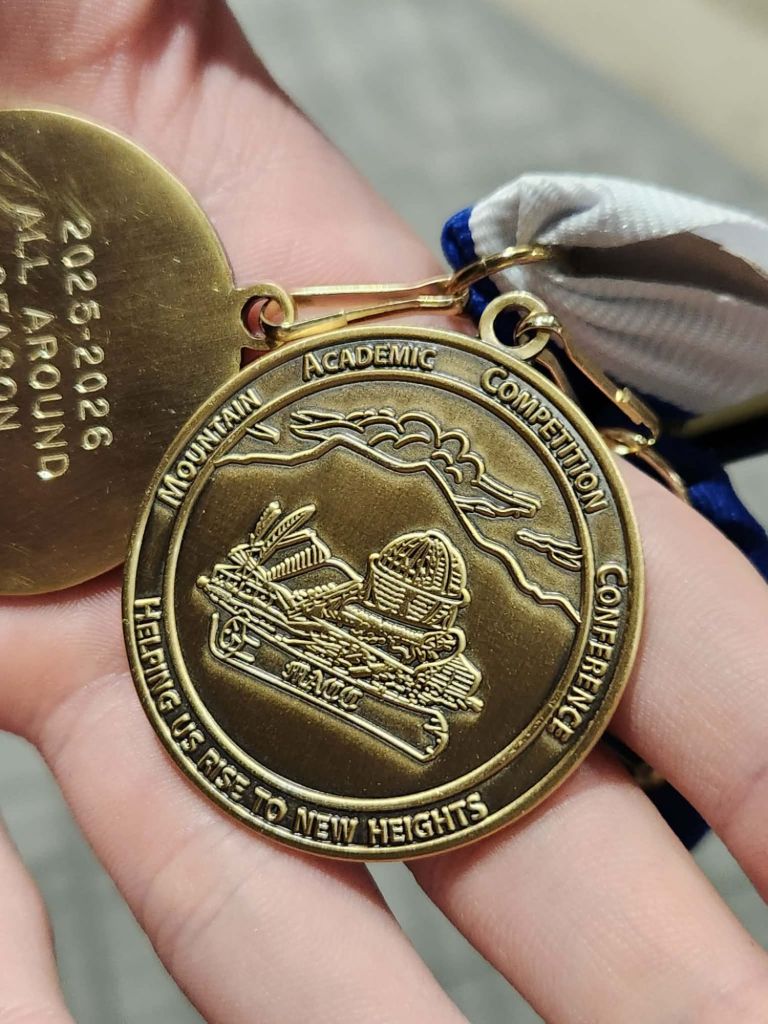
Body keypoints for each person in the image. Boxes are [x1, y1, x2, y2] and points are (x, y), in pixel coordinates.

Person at [0, 3, 766, 1022]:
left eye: (411, 583)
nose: (400, 584)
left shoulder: (428, 639)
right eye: (406, 578)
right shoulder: (347, 592)